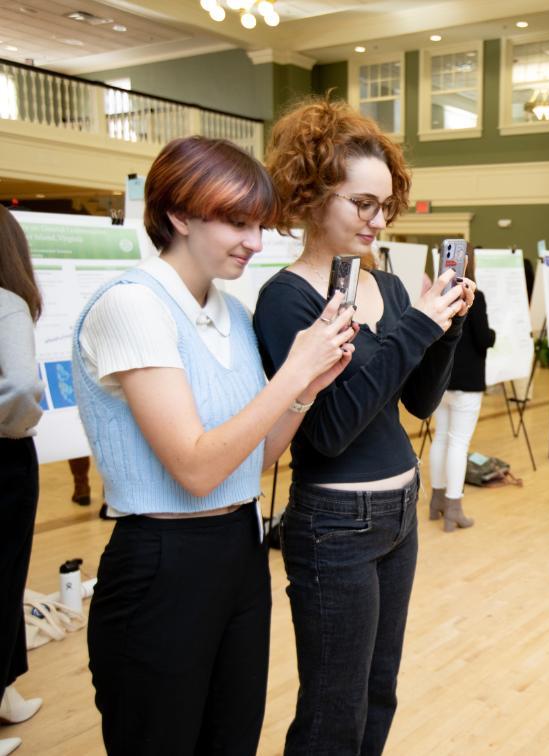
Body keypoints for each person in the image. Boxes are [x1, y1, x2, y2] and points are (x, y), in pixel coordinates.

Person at [76, 137, 356, 755]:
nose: (254, 243)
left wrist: (307, 388)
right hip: (161, 560)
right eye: (236, 222)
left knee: (232, 739)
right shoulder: (132, 306)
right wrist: (290, 373)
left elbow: (252, 461)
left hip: (238, 549)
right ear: (178, 214)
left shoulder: (230, 310)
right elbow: (196, 468)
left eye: (258, 225)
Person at [254, 97, 473, 755]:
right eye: (362, 204)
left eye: (385, 204)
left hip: (400, 512)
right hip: (336, 525)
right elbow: (331, 430)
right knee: (333, 710)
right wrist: (417, 329)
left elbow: (420, 404)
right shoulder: (288, 298)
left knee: (380, 691)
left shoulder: (394, 288)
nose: (378, 220)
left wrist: (447, 330)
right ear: (312, 197)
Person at [0, 206, 45, 756]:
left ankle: (7, 689)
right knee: (5, 576)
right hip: (6, 460)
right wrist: (20, 426)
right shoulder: (9, 304)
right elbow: (19, 391)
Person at [427, 248, 495, 531]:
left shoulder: (435, 297)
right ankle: (454, 507)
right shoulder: (473, 297)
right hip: (467, 382)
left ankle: (436, 501)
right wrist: (493, 334)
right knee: (458, 442)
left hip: (441, 380)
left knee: (441, 438)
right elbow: (483, 340)